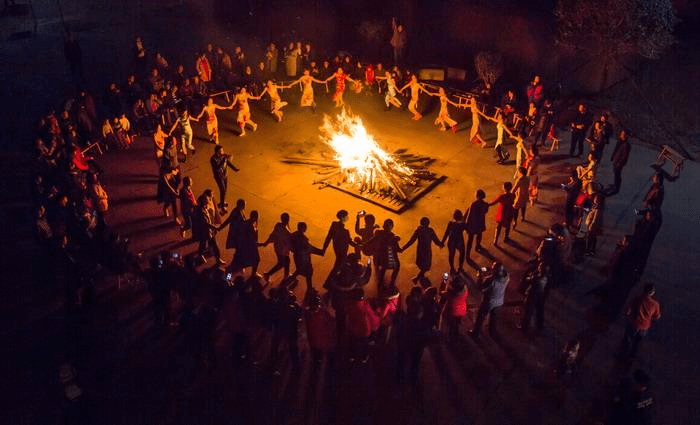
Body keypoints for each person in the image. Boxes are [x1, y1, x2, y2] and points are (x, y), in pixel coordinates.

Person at [470, 261, 509, 339]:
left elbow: (481, 288)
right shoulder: (506, 277)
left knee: (481, 316)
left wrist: (480, 277)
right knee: (494, 317)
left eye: (493, 268)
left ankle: (476, 333)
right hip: (499, 301)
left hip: (489, 302)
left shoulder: (491, 280)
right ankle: (492, 332)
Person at [622, 284, 661, 358]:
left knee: (627, 341)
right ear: (652, 293)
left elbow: (627, 311)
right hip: (644, 327)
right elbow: (657, 316)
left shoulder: (636, 299)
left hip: (633, 324)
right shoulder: (655, 304)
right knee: (636, 344)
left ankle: (623, 356)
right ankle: (631, 357)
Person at [402, 217, 444, 285]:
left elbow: (411, 241)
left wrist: (404, 248)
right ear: (428, 224)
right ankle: (417, 278)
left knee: (422, 264)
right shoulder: (430, 231)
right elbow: (435, 240)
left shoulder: (418, 230)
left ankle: (419, 277)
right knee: (426, 266)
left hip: (420, 250)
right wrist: (440, 244)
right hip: (427, 251)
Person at [365, 219, 402, 288]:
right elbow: (397, 249)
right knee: (396, 267)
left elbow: (373, 239)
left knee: (383, 268)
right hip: (389, 256)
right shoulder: (392, 236)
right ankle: (392, 281)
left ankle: (381, 282)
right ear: (392, 227)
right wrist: (400, 248)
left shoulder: (379, 233)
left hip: (381, 256)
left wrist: (366, 244)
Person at [322, 210, 357, 279]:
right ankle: (330, 282)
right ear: (342, 217)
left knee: (339, 265)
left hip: (337, 249)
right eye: (346, 216)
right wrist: (357, 245)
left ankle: (333, 281)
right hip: (342, 250)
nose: (347, 217)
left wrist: (324, 248)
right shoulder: (345, 231)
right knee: (338, 265)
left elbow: (329, 237)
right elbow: (349, 241)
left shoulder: (334, 225)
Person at [192, 191, 225, 265]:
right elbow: (206, 223)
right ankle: (201, 255)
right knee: (203, 244)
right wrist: (215, 227)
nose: (208, 202)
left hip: (209, 231)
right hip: (204, 231)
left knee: (213, 245)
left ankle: (217, 258)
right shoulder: (200, 210)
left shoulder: (204, 207)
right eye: (206, 201)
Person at [290, 222, 324, 291]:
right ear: (304, 229)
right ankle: (309, 288)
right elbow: (309, 248)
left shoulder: (293, 235)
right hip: (304, 259)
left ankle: (309, 287)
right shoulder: (303, 239)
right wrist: (320, 252)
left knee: (299, 270)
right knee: (308, 273)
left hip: (297, 256)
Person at [260, 212, 292, 282]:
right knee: (281, 263)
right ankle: (268, 274)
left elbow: (272, 235)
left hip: (278, 247)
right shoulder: (286, 231)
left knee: (287, 261)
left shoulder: (278, 225)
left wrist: (266, 242)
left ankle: (286, 275)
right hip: (282, 250)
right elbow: (289, 241)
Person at [519, 262, 550, 332]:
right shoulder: (546, 277)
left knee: (528, 311)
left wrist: (530, 276)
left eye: (540, 266)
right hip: (539, 296)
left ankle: (524, 326)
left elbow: (529, 280)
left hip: (532, 296)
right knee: (535, 311)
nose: (538, 267)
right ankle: (537, 325)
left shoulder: (537, 278)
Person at [209, 145, 240, 213]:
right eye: (220, 151)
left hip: (225, 175)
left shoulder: (223, 157)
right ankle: (222, 208)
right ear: (217, 152)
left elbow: (228, 163)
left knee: (225, 190)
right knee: (222, 190)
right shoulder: (213, 159)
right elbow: (217, 168)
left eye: (222, 150)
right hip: (219, 177)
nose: (222, 152)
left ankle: (222, 202)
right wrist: (223, 160)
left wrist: (234, 168)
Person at [231, 211, 260, 276]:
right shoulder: (250, 225)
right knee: (256, 259)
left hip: (242, 247)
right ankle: (227, 278)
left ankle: (227, 278)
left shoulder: (246, 223)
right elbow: (251, 238)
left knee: (235, 265)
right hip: (247, 247)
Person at [440, 275, 469, 342]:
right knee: (457, 323)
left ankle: (450, 338)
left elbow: (441, 293)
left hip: (452, 311)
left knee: (450, 325)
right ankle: (457, 334)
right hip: (462, 310)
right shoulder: (465, 290)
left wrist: (444, 283)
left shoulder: (451, 293)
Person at [464, 189, 489, 259]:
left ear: (477, 196)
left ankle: (467, 254)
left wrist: (466, 225)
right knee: (479, 234)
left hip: (473, 223)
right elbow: (485, 212)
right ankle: (477, 246)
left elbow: (469, 215)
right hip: (480, 222)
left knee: (470, 239)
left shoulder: (473, 204)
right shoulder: (485, 204)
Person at [441, 210, 466, 275]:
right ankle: (460, 267)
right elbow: (467, 228)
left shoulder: (451, 223)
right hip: (459, 240)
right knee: (462, 253)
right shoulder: (462, 224)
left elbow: (446, 233)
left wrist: (442, 242)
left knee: (451, 255)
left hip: (451, 240)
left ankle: (452, 268)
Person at [610, 129, 631, 194]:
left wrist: (620, 163)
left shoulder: (626, 145)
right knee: (616, 173)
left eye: (623, 134)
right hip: (616, 161)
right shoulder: (620, 142)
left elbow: (624, 156)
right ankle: (615, 185)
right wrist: (613, 157)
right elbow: (616, 150)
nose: (621, 136)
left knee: (617, 174)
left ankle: (617, 186)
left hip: (619, 163)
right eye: (621, 134)